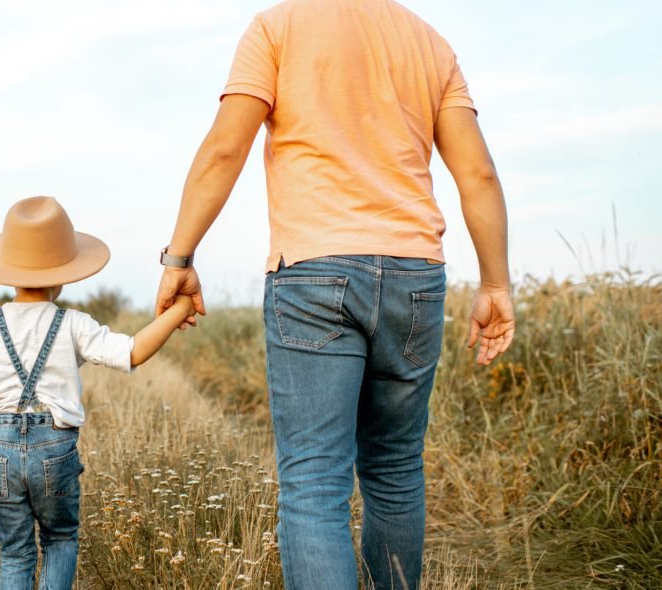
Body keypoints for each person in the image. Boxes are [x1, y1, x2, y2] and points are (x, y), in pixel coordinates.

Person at [153, 1, 516, 588]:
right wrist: (496, 283)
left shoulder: (277, 27)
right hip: (416, 277)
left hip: (314, 275)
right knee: (396, 471)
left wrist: (180, 257)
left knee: (315, 480)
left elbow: (225, 149)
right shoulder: (430, 42)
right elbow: (478, 174)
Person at [0, 196, 195, 589]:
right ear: (64, 274)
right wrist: (178, 308)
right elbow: (131, 352)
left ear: (8, 271)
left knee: (15, 552)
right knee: (60, 539)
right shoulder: (72, 324)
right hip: (54, 445)